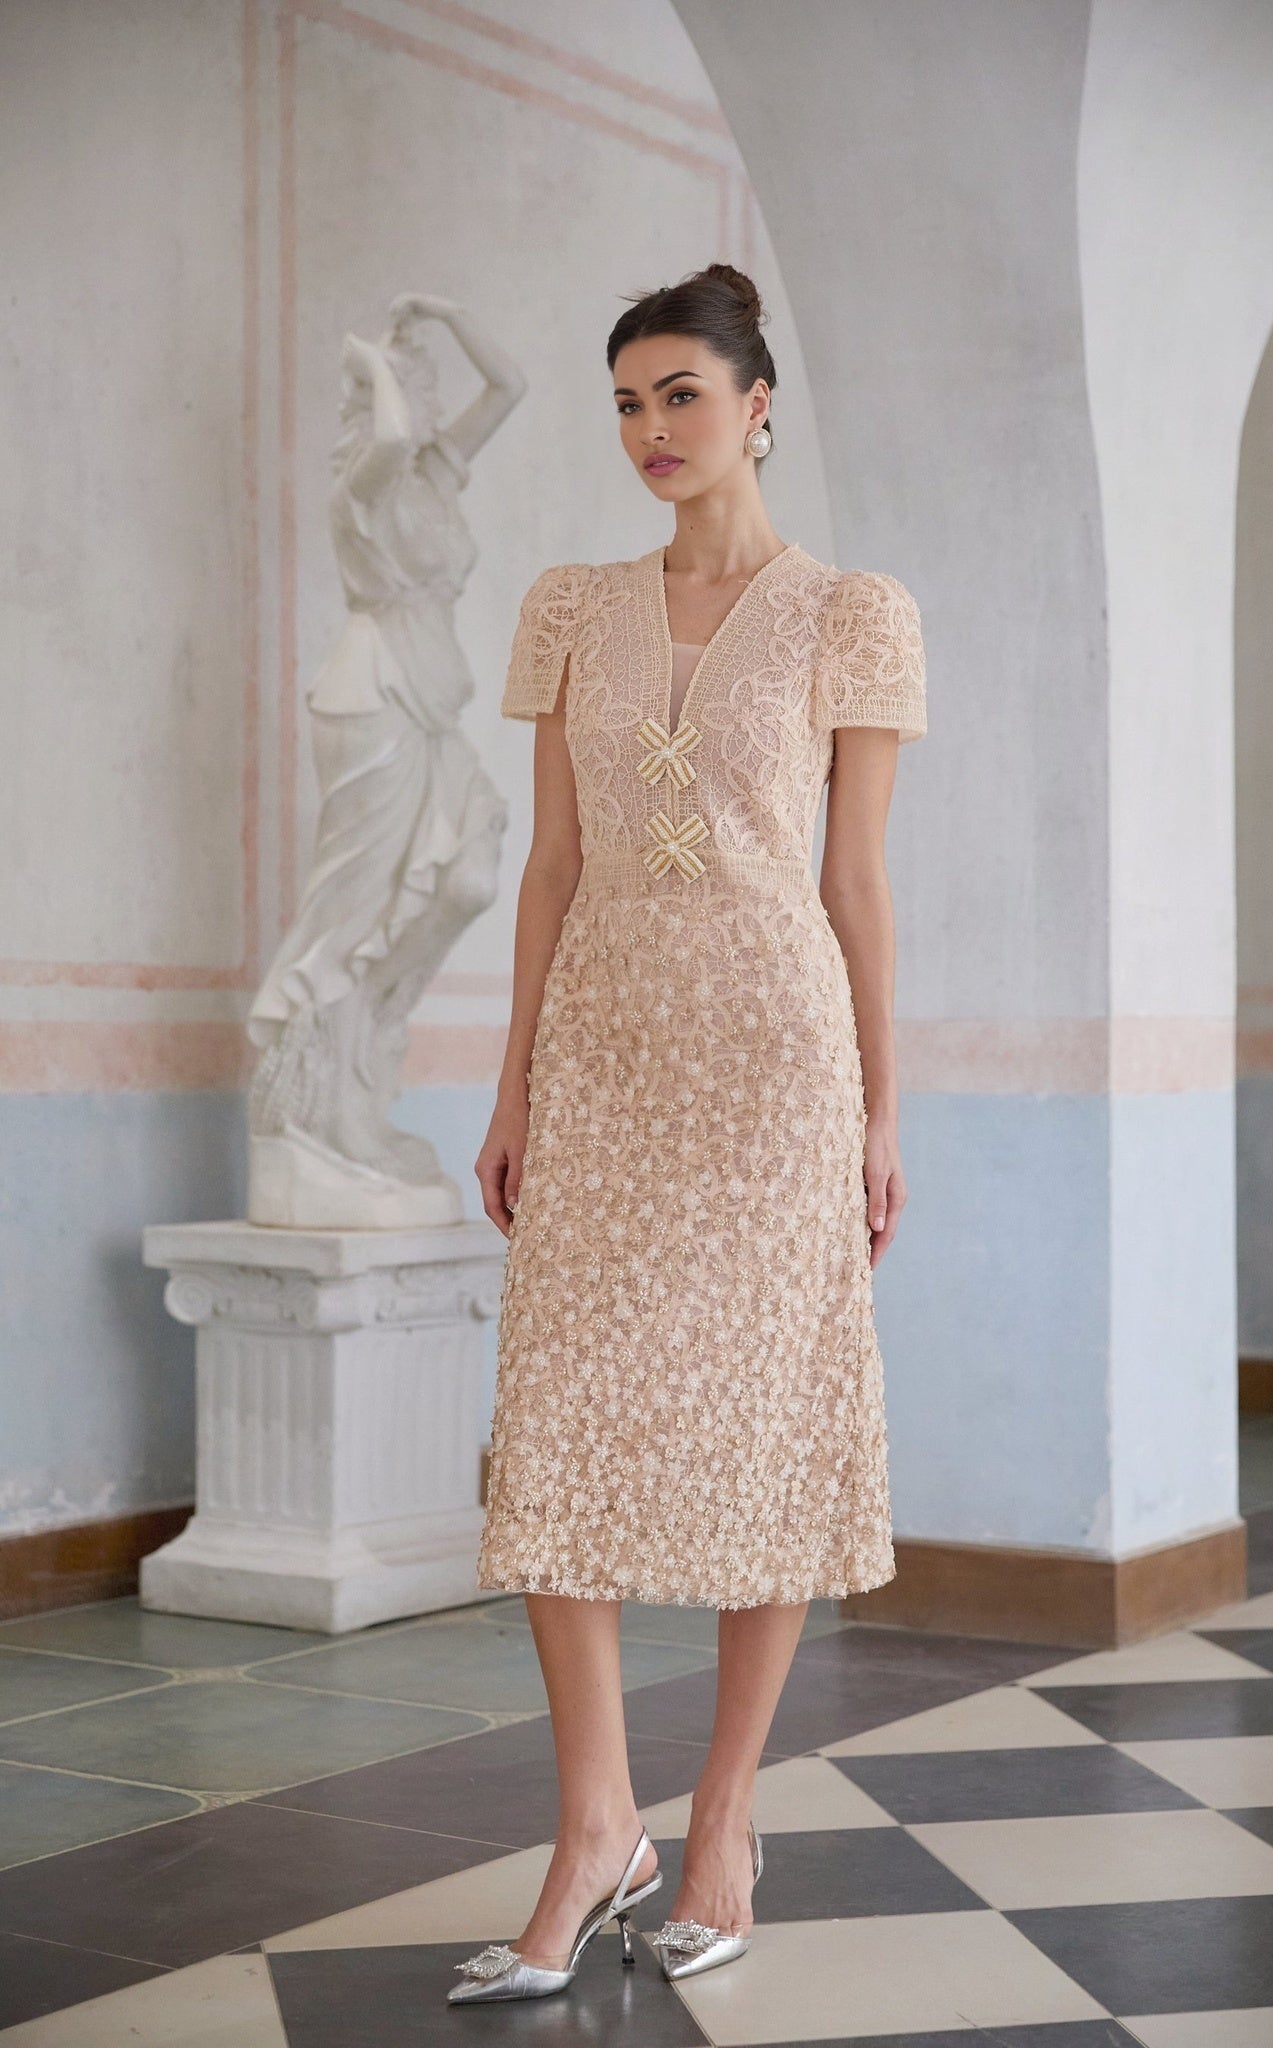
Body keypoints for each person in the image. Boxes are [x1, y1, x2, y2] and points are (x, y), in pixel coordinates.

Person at [452, 262, 927, 2006]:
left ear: (757, 404)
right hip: (601, 1047)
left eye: (679, 395)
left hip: (775, 1059)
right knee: (557, 1413)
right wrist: (507, 1086)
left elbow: (854, 879)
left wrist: (881, 1103)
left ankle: (721, 1818)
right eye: (628, 403)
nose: (652, 430)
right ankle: (597, 1827)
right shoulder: (571, 606)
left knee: (767, 1414)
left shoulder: (849, 611)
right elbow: (553, 866)